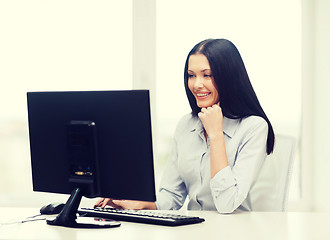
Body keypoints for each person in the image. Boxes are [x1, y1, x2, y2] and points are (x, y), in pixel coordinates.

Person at [95, 38, 275, 213]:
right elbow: (172, 195)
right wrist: (138, 203)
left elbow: (227, 204)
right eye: (191, 75)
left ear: (228, 78)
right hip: (194, 229)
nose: (197, 84)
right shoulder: (186, 124)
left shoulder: (254, 127)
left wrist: (215, 135)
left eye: (207, 75)